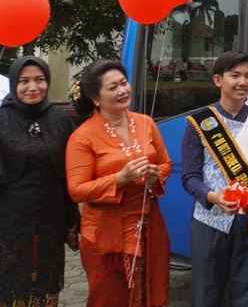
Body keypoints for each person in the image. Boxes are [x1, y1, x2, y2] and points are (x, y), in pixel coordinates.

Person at [66, 60, 171, 307]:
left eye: (124, 83)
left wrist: (156, 175)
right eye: (113, 87)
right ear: (95, 98)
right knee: (110, 296)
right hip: (106, 232)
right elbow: (76, 190)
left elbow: (166, 163)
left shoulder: (145, 122)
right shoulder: (82, 136)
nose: (123, 90)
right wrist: (119, 179)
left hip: (149, 224)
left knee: (153, 289)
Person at [181, 51, 248, 307]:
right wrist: (213, 197)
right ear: (218, 80)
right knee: (206, 294)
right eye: (234, 75)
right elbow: (190, 177)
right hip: (209, 223)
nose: (243, 82)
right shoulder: (200, 122)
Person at [0, 57, 79, 306]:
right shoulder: (2, 120)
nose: (32, 87)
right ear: (14, 84)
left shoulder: (60, 120)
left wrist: (72, 221)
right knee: (12, 285)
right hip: (9, 220)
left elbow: (68, 173)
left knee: (45, 285)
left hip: (51, 218)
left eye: (39, 80)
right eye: (24, 81)